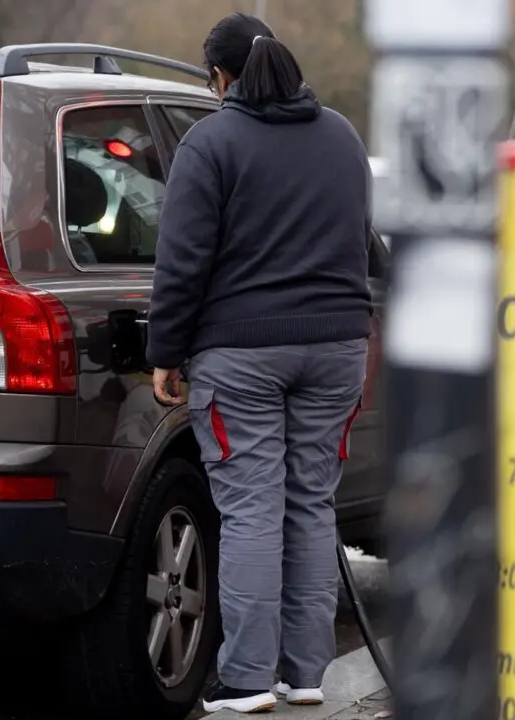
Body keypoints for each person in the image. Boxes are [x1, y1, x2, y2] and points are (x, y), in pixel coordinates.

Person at [145, 12, 373, 715]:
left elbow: (182, 262)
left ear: (219, 76)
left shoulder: (210, 142)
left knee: (249, 510)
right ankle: (305, 675)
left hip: (241, 352)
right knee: (310, 505)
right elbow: (360, 242)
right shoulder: (340, 135)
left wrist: (166, 352)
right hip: (336, 349)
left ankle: (245, 680)